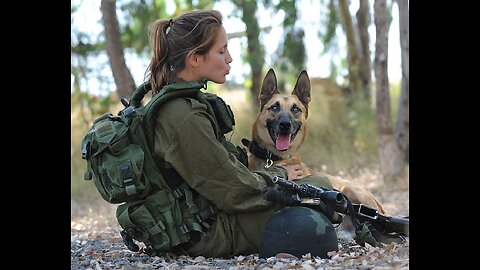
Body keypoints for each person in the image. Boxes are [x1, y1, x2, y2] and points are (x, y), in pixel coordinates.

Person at [143, 9, 335, 257]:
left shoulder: (182, 103)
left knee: (313, 188)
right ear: (195, 59)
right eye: (221, 51)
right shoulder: (184, 115)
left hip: (195, 222)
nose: (230, 58)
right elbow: (234, 192)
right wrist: (278, 173)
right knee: (318, 186)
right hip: (206, 234)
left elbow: (217, 172)